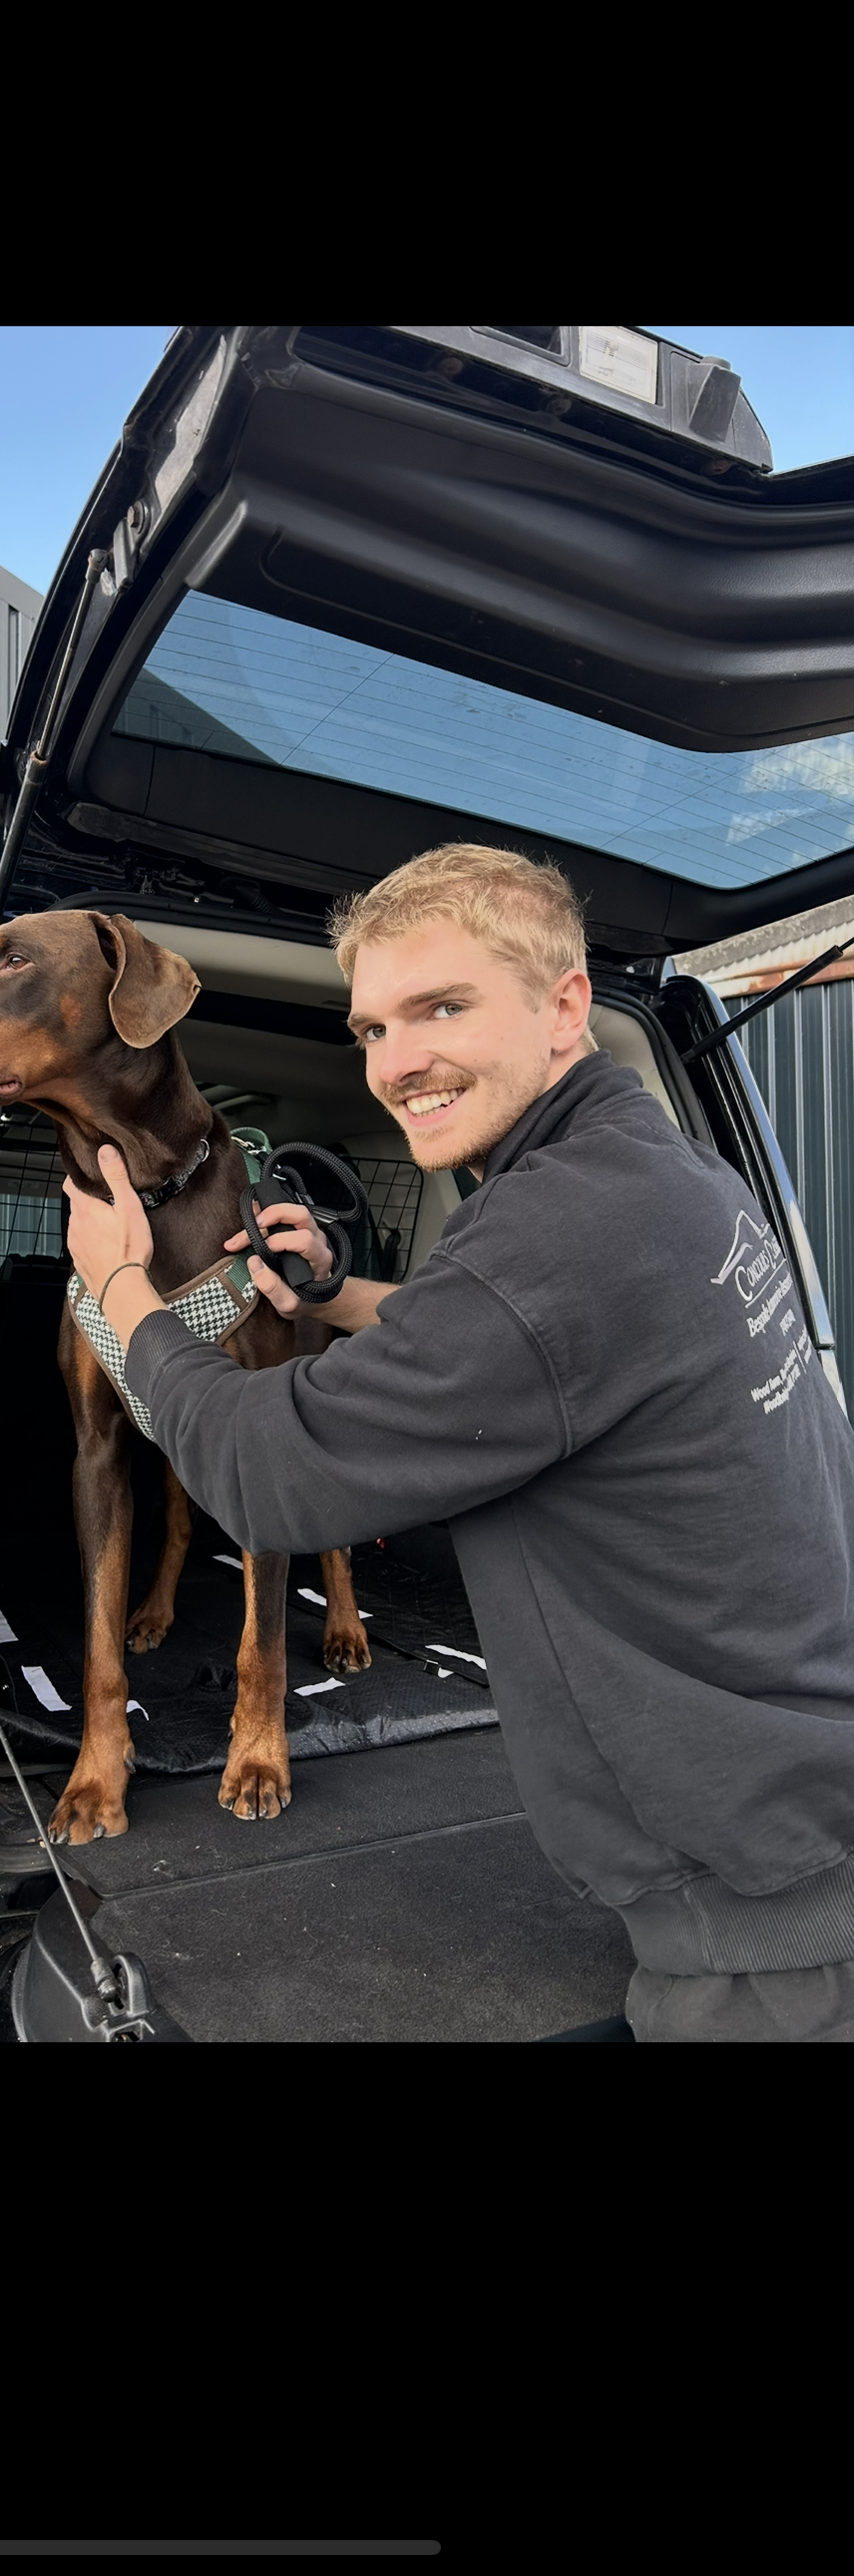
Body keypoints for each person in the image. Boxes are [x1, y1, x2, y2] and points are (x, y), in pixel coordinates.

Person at [65, 843, 854, 2043]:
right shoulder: (666, 1179)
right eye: (373, 1028)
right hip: (801, 1826)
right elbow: (528, 1343)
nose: (396, 1062)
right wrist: (332, 1295)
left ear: (565, 1005)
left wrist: (120, 1283)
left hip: (776, 1938)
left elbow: (265, 1476)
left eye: (443, 1008)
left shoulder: (558, 1230)